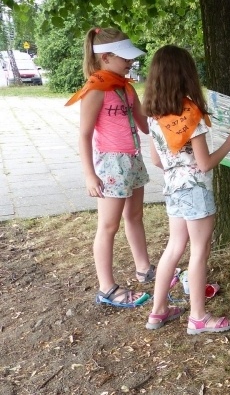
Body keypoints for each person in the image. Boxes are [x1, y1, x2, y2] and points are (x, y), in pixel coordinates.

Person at [142, 45, 230, 333]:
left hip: (173, 188)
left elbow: (156, 160)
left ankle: (158, 311)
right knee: (199, 250)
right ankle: (198, 317)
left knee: (174, 247)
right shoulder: (189, 114)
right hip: (195, 190)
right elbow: (205, 163)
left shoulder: (154, 115)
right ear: (186, 75)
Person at [65, 27, 155, 308]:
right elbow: (84, 135)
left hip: (133, 160)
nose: (130, 62)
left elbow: (145, 125)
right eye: (124, 58)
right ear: (105, 58)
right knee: (108, 226)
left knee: (135, 216)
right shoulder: (95, 90)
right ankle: (106, 288)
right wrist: (90, 174)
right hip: (111, 164)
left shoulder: (126, 87)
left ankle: (144, 269)